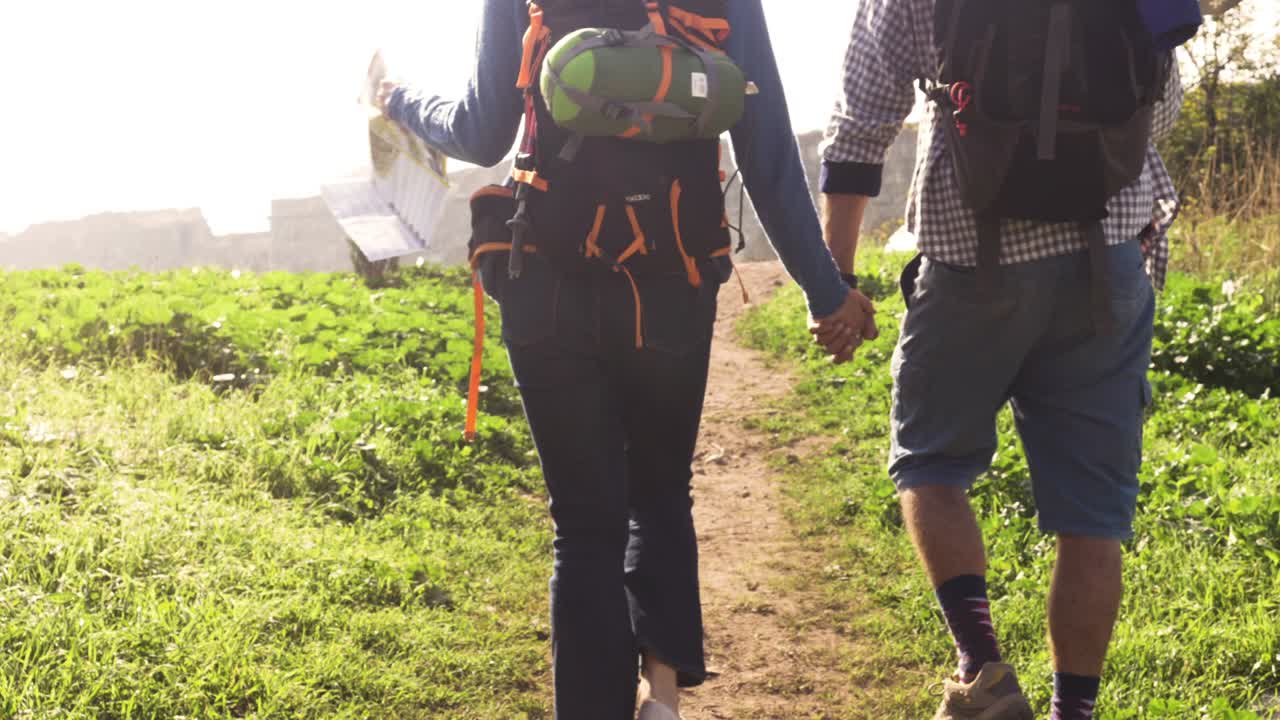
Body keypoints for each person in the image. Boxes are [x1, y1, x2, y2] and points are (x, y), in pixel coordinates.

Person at [378, 1, 871, 717]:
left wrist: (397, 100)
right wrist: (827, 293)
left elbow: (480, 129)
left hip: (550, 277)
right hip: (673, 279)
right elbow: (765, 150)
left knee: (585, 525)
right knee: (662, 491)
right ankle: (662, 695)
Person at [820, 1, 1183, 718]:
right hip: (1108, 257)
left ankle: (982, 666)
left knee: (930, 460)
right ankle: (1072, 711)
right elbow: (1159, 104)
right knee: (1092, 516)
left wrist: (837, 277)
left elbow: (862, 125)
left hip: (969, 257)